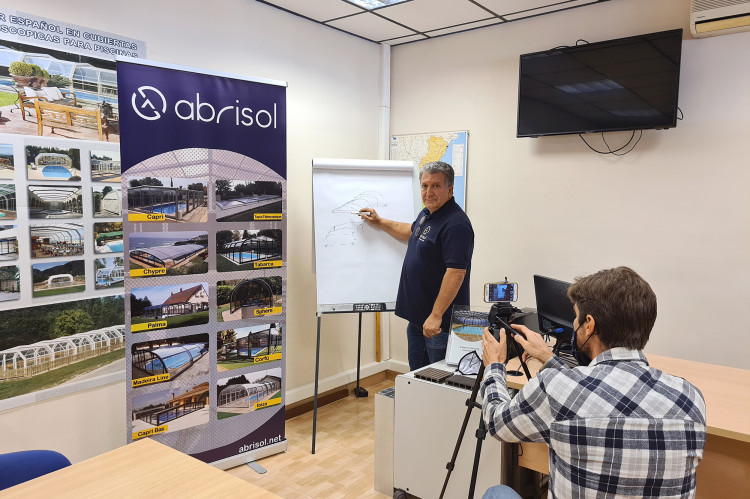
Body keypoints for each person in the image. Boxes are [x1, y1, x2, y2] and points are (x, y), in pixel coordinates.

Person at [480, 267, 706, 499]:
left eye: (575, 318)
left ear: (589, 324)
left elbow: (497, 423)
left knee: (497, 493)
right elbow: (599, 396)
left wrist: (494, 365)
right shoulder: (690, 398)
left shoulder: (556, 388)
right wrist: (549, 359)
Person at [360, 161, 474, 370]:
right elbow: (410, 231)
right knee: (417, 379)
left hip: (438, 325)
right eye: (424, 186)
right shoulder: (427, 214)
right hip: (418, 320)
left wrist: (436, 315)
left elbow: (456, 273)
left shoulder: (456, 224)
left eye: (436, 186)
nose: (429, 192)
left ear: (449, 189)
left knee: (437, 383)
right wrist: (380, 222)